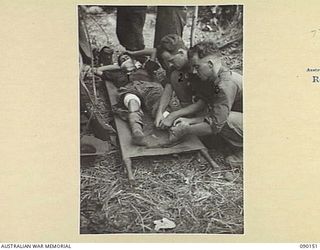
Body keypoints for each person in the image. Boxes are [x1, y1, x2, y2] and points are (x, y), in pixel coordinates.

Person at [170, 40, 243, 165]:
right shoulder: (216, 77)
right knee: (219, 121)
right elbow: (213, 111)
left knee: (226, 120)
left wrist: (185, 130)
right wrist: (190, 121)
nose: (193, 71)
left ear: (210, 64)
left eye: (197, 67)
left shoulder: (225, 85)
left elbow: (215, 124)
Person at [94, 53, 164, 146]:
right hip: (131, 89)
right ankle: (137, 131)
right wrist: (118, 66)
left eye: (127, 58)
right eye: (122, 60)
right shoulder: (117, 74)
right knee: (132, 102)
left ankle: (175, 127)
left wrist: (132, 54)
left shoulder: (145, 67)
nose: (125, 59)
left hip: (150, 88)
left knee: (158, 104)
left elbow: (153, 51)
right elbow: (98, 70)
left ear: (133, 60)